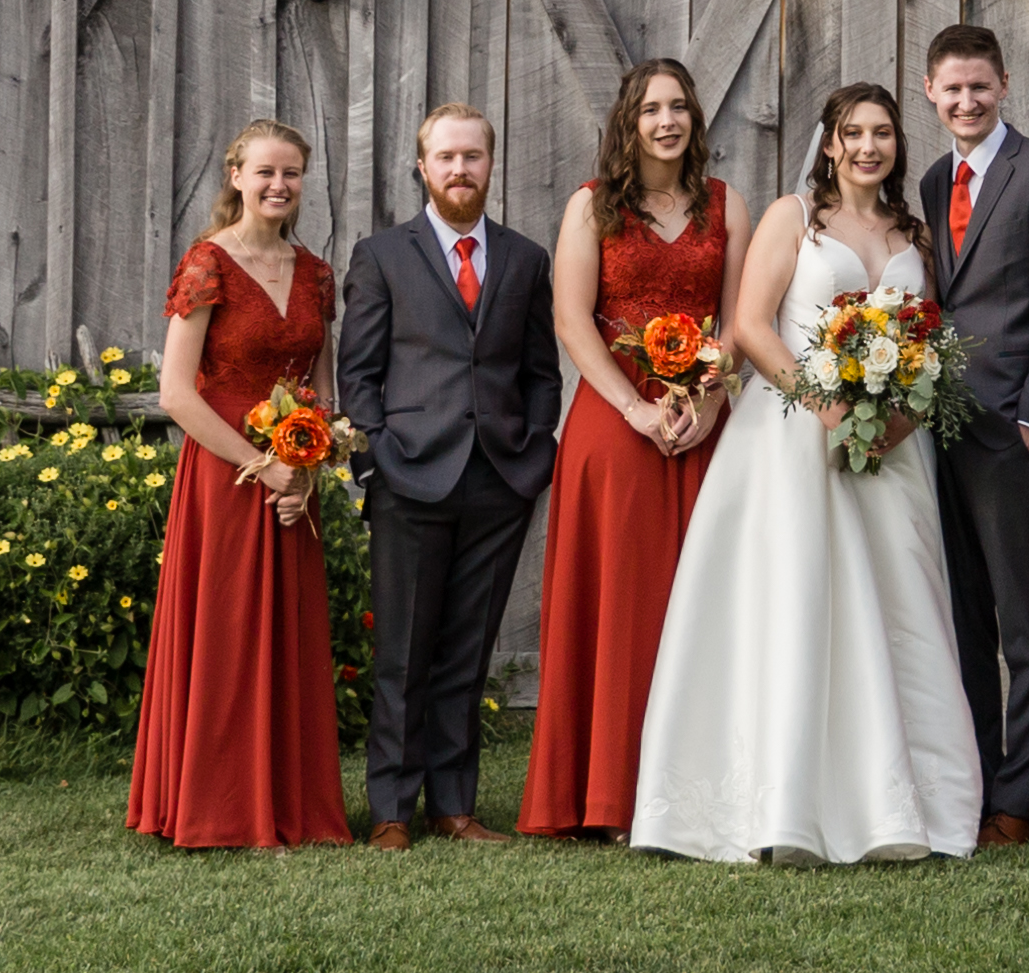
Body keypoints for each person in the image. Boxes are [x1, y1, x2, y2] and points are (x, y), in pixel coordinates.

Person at [628, 83, 983, 864]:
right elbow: (752, 326)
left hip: (891, 449)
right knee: (799, 605)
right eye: (852, 132)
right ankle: (783, 806)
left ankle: (904, 804)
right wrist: (825, 405)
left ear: (896, 144)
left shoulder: (914, 235)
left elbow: (928, 342)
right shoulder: (795, 219)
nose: (867, 146)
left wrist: (900, 416)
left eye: (882, 133)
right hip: (792, 438)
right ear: (827, 143)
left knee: (898, 609)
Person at [331, 100, 565, 847]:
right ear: (422, 167)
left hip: (499, 480)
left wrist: (533, 453)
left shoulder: (526, 258)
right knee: (402, 650)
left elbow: (540, 371)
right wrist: (376, 459)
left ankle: (454, 806)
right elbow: (358, 373)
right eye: (446, 158)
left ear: (491, 165)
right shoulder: (382, 255)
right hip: (409, 478)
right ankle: (393, 810)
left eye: (473, 157)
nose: (460, 170)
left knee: (470, 649)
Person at [517, 56, 731, 837]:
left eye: (678, 107)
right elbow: (573, 319)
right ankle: (605, 793)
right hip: (615, 423)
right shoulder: (592, 208)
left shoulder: (721, 204)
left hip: (705, 424)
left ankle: (699, 787)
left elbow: (735, 321)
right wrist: (636, 412)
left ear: (694, 119)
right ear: (628, 122)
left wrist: (706, 404)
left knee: (700, 597)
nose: (667, 121)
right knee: (617, 598)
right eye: (651, 110)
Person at [126, 119, 350, 849]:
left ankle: (287, 803)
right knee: (225, 635)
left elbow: (321, 386)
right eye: (265, 173)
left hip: (293, 485)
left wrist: (306, 470)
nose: (278, 186)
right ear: (236, 177)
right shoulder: (206, 264)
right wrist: (262, 465)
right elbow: (176, 393)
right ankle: (215, 806)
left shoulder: (317, 273)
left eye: (291, 174)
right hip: (223, 481)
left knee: (286, 638)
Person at [908, 20, 1029, 847]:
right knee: (963, 621)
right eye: (953, 89)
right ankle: (974, 781)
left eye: (981, 86)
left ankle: (1021, 796)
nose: (968, 100)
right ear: (931, 95)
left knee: (1023, 622)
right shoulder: (933, 177)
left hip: (1007, 432)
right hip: (933, 428)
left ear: (1005, 85)